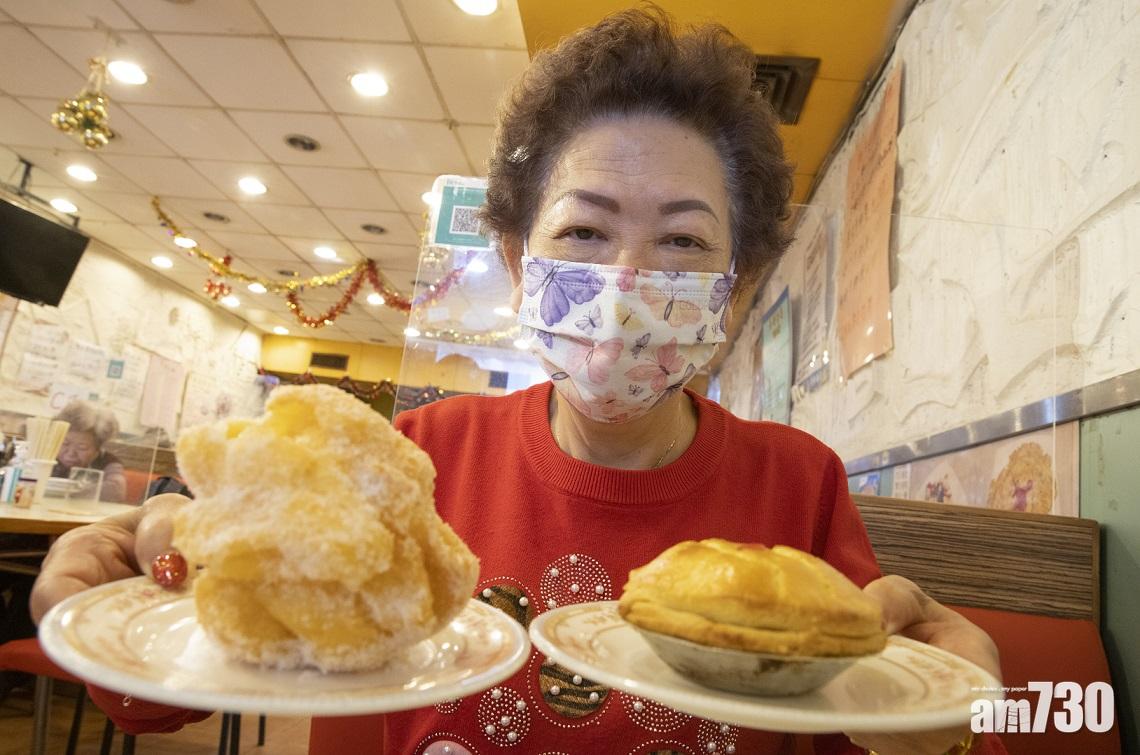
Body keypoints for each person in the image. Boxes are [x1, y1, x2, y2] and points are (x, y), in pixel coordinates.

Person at [30, 9, 1003, 755]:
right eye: (584, 230)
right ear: (517, 257)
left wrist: (954, 721)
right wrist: (142, 597)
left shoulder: (800, 482)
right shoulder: (413, 463)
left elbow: (874, 717)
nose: (626, 281)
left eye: (682, 241)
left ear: (735, 282)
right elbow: (178, 693)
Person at [51, 400, 127, 503]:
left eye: (82, 448)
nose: (71, 453)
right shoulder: (47, 456)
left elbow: (116, 491)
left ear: (97, 449)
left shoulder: (108, 462)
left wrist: (65, 492)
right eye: (65, 443)